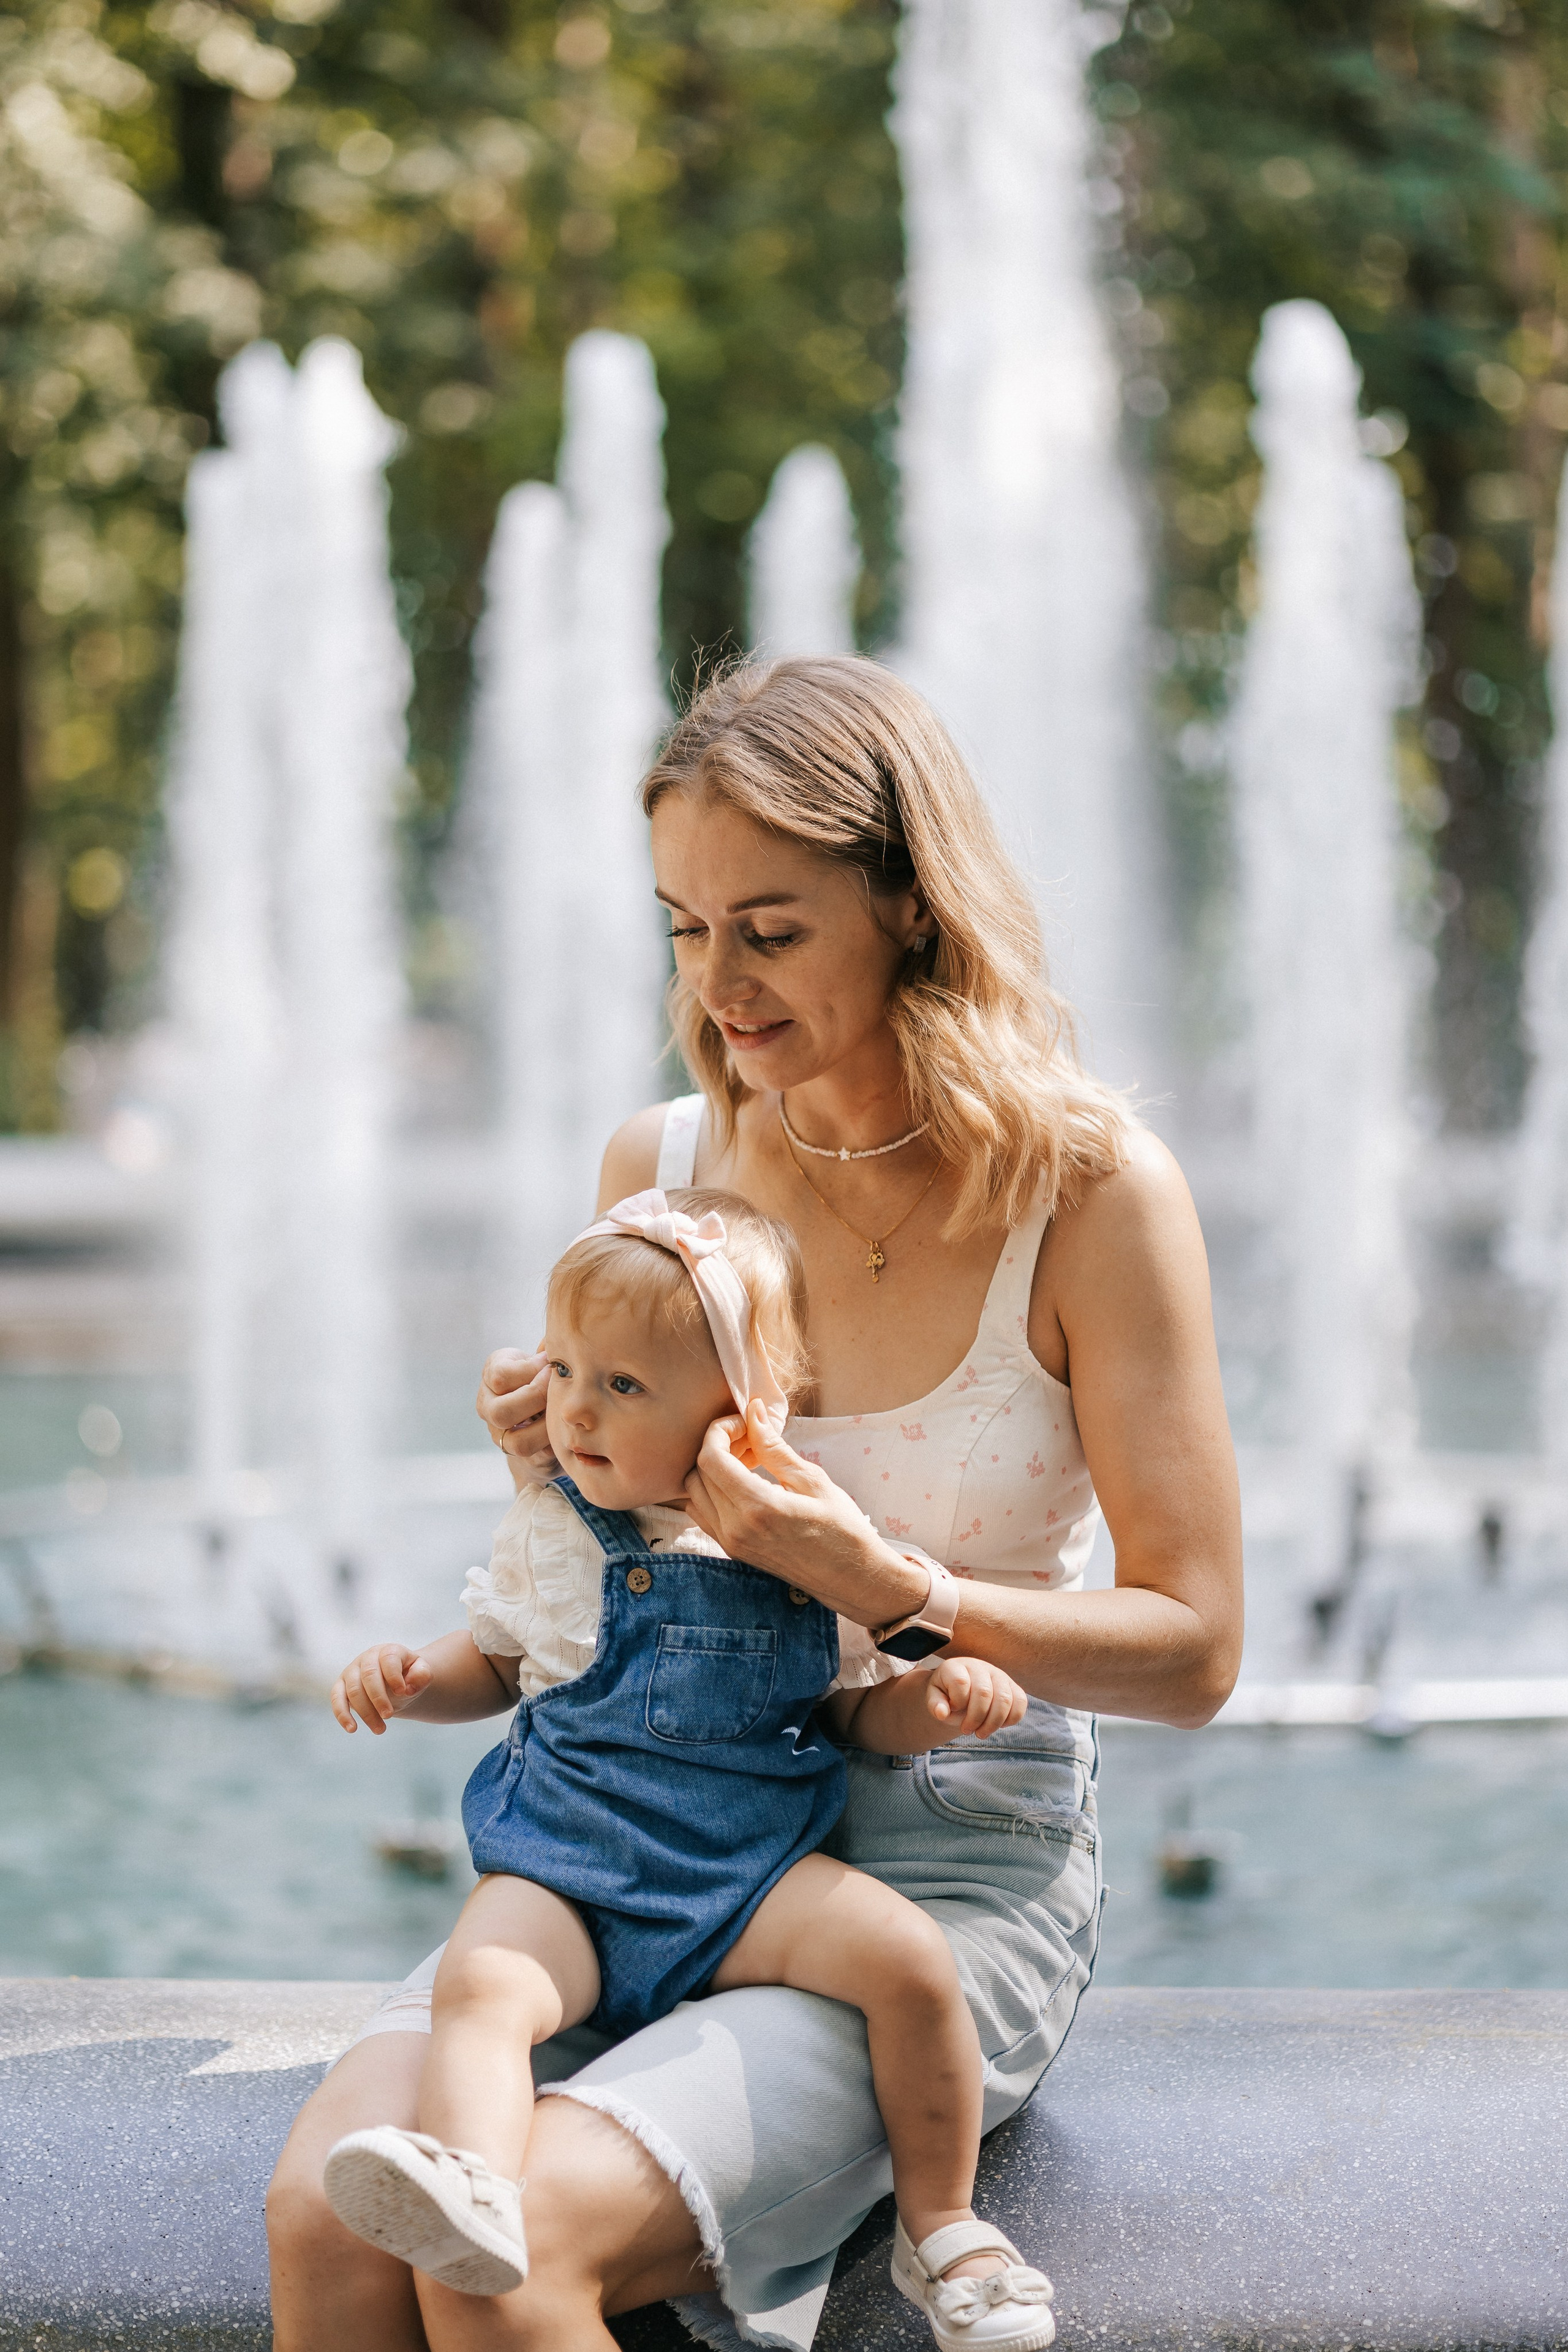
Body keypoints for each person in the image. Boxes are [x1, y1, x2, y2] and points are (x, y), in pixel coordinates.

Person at [266, 655, 1243, 2352]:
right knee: (329, 2220)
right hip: (631, 1835)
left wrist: (896, 1587)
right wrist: (557, 1453)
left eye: (770, 932)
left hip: (938, 1868)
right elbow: (609, 1551)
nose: (716, 985)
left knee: (512, 2249)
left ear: (913, 908)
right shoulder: (653, 1172)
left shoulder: (1092, 1197)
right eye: (683, 927)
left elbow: (1198, 1651)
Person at [320, 1186, 1054, 2351]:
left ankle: (943, 2225)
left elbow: (852, 1715)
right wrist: (414, 1679)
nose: (573, 1411)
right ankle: (471, 2186)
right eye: (564, 1370)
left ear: (741, 1413)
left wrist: (936, 1703)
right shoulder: (560, 1528)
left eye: (624, 1385)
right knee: (484, 1987)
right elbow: (502, 1660)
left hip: (744, 1878)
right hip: (567, 1870)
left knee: (912, 1962)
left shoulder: (799, 1539)